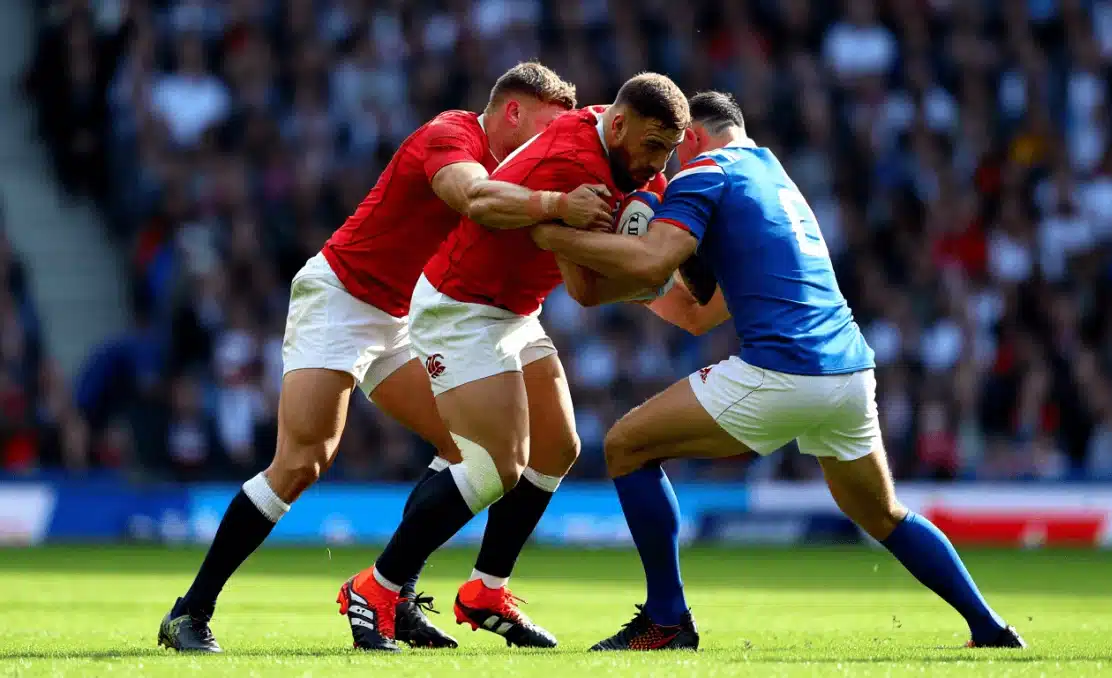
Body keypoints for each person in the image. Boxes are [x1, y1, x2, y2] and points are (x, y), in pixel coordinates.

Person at [529, 91, 1027, 652]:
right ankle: (990, 628)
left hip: (783, 370)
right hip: (849, 372)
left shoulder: (704, 174)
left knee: (626, 447)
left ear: (694, 136)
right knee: (883, 513)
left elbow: (650, 261)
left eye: (673, 148)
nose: (667, 162)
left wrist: (553, 232)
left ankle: (666, 620)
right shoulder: (776, 179)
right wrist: (636, 282)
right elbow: (699, 313)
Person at [159, 62, 613, 653]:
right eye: (547, 127)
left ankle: (392, 599)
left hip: (410, 315)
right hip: (343, 299)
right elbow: (472, 197)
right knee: (301, 461)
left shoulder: (524, 168)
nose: (554, 142)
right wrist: (558, 203)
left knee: (467, 450)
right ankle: (189, 612)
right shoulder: (451, 135)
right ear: (512, 112)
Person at [336, 73, 690, 651]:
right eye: (653, 146)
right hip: (461, 305)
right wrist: (633, 264)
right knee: (496, 467)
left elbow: (587, 280)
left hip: (515, 309)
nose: (658, 163)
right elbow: (570, 276)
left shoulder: (622, 149)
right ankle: (375, 588)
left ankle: (485, 591)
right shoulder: (574, 163)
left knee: (557, 447)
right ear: (620, 125)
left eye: (668, 150)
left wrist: (622, 253)